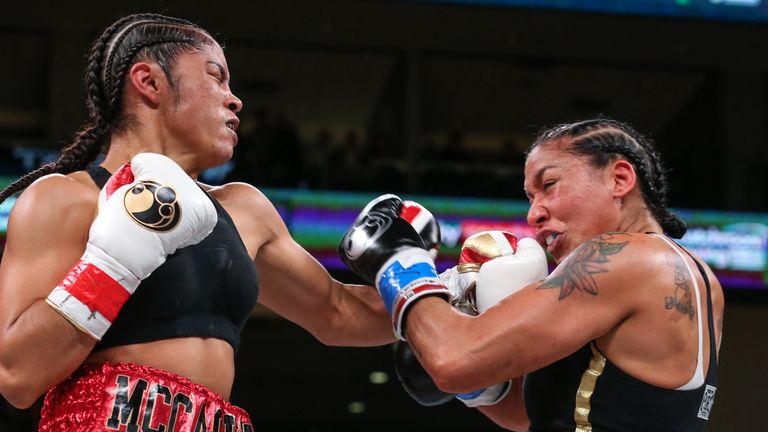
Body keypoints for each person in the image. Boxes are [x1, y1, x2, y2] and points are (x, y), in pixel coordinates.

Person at [0, 13, 407, 431]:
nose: (235, 100)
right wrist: (113, 262)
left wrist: (438, 291)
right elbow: (17, 375)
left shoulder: (245, 210)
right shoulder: (64, 199)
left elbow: (338, 311)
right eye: (217, 77)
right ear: (150, 82)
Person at [340, 118, 724, 431]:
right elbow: (531, 415)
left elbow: (453, 360)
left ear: (619, 179)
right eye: (530, 196)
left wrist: (400, 260)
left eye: (549, 185)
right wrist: (479, 390)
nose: (534, 214)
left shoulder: (627, 258)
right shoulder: (685, 273)